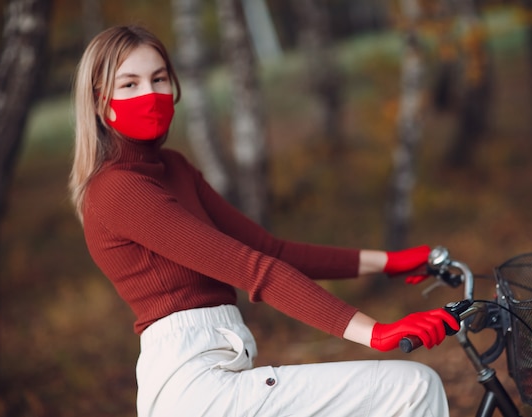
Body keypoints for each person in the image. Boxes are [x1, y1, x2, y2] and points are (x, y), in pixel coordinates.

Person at [69, 25, 459, 417]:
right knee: (413, 388)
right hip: (194, 385)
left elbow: (270, 250)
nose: (150, 94)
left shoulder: (174, 168)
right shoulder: (116, 190)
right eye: (129, 85)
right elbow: (253, 269)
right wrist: (374, 333)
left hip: (220, 369)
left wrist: (390, 262)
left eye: (158, 79)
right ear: (102, 102)